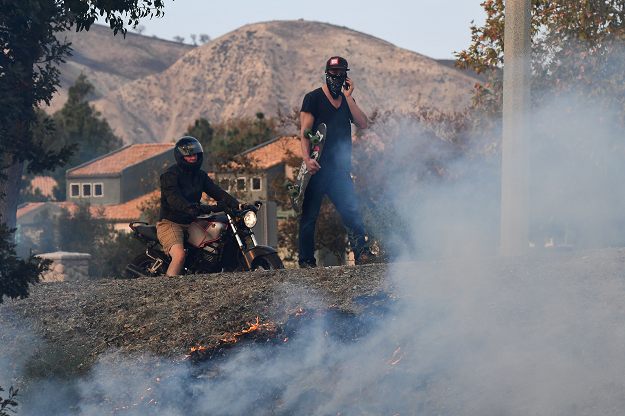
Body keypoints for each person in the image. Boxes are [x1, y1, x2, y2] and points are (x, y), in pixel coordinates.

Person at [298, 56, 372, 268]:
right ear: (326, 73)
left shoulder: (347, 101)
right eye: (333, 73)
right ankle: (306, 261)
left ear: (346, 75)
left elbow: (363, 123)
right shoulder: (313, 98)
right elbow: (305, 132)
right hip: (317, 168)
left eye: (341, 73)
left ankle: (362, 255)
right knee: (310, 216)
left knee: (351, 212)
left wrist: (348, 97)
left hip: (340, 171)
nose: (337, 76)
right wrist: (307, 159)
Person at [156, 136, 240, 276]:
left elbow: (216, 191)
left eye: (195, 154)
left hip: (191, 221)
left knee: (215, 243)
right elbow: (173, 198)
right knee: (179, 256)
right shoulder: (170, 175)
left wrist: (238, 205)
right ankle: (168, 293)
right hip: (170, 223)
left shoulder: (200, 175)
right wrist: (189, 207)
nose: (193, 157)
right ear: (181, 157)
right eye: (189, 155)